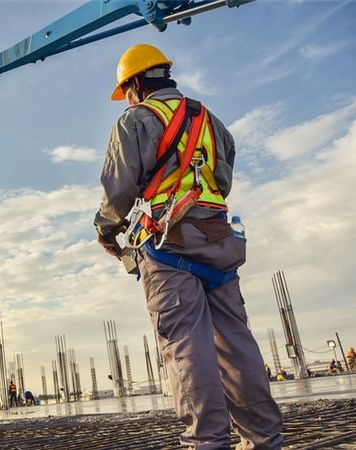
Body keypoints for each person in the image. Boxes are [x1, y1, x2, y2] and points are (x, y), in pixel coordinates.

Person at [93, 43, 283, 449]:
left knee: (186, 347)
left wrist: (107, 230)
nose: (125, 98)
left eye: (126, 90)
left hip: (168, 247)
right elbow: (223, 180)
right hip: (219, 242)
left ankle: (207, 442)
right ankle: (264, 438)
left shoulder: (136, 120)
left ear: (137, 82)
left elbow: (119, 188)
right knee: (237, 346)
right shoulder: (211, 121)